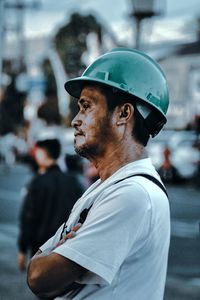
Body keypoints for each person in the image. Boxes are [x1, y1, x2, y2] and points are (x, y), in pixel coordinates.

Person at [27, 48, 170, 300]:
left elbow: (39, 278)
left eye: (86, 106)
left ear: (123, 114)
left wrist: (56, 258)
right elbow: (39, 271)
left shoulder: (132, 195)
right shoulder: (106, 187)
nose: (75, 120)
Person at [17, 138, 84, 271]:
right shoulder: (73, 182)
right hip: (66, 245)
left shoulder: (37, 182)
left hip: (40, 246)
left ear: (41, 153)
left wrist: (22, 249)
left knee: (40, 282)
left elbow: (28, 217)